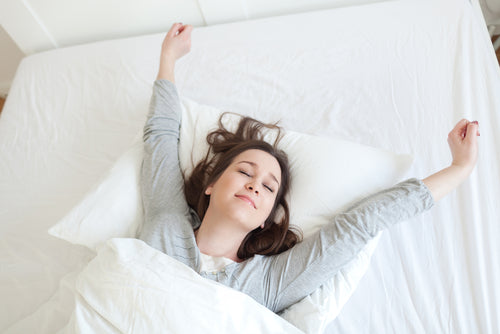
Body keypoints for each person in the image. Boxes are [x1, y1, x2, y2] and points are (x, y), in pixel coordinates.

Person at [139, 23, 480, 313]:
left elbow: (361, 224)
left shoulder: (269, 282)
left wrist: (459, 168)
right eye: (244, 171)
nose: (256, 185)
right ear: (211, 184)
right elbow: (161, 137)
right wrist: (168, 60)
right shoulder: (166, 220)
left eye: (269, 187)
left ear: (265, 219)